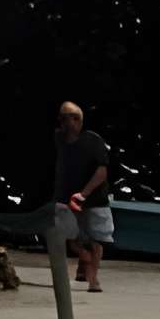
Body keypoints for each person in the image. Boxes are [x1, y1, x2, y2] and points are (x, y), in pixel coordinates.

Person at [53, 101, 113, 293]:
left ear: (78, 120)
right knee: (71, 236)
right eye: (62, 118)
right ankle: (83, 263)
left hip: (94, 198)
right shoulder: (59, 139)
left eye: (68, 118)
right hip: (66, 198)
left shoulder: (93, 141)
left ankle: (93, 279)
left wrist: (83, 194)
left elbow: (101, 171)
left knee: (97, 238)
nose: (64, 122)